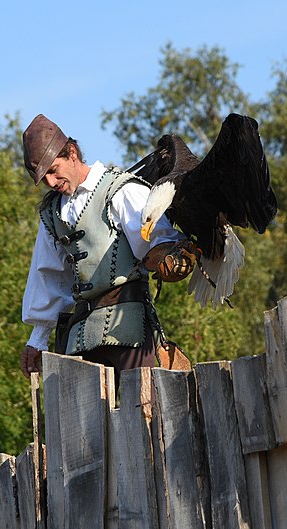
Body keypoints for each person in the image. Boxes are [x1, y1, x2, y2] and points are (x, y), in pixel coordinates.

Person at [19, 114, 198, 382]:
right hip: (78, 338)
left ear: (72, 152)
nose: (51, 183)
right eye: (44, 178)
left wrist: (168, 254)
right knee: (79, 419)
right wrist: (37, 340)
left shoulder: (120, 190)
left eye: (54, 170)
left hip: (128, 327)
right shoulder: (52, 214)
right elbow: (47, 277)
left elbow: (159, 240)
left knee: (148, 411)